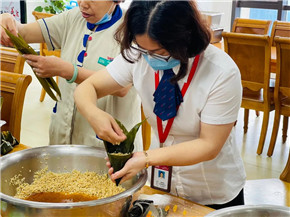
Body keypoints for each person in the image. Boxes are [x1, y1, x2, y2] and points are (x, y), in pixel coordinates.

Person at [74, 0, 246, 209]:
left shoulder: (221, 72)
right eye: (143, 49)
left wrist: (145, 158)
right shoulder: (139, 54)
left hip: (210, 190)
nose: (149, 58)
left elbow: (209, 145)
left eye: (160, 52)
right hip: (161, 187)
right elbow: (87, 88)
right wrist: (94, 114)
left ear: (184, 37)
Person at [0, 0, 142, 151]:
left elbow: (122, 88)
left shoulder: (134, 27)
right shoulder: (74, 17)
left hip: (107, 144)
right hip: (63, 136)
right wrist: (7, 21)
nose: (83, 4)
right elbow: (25, 32)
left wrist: (68, 71)